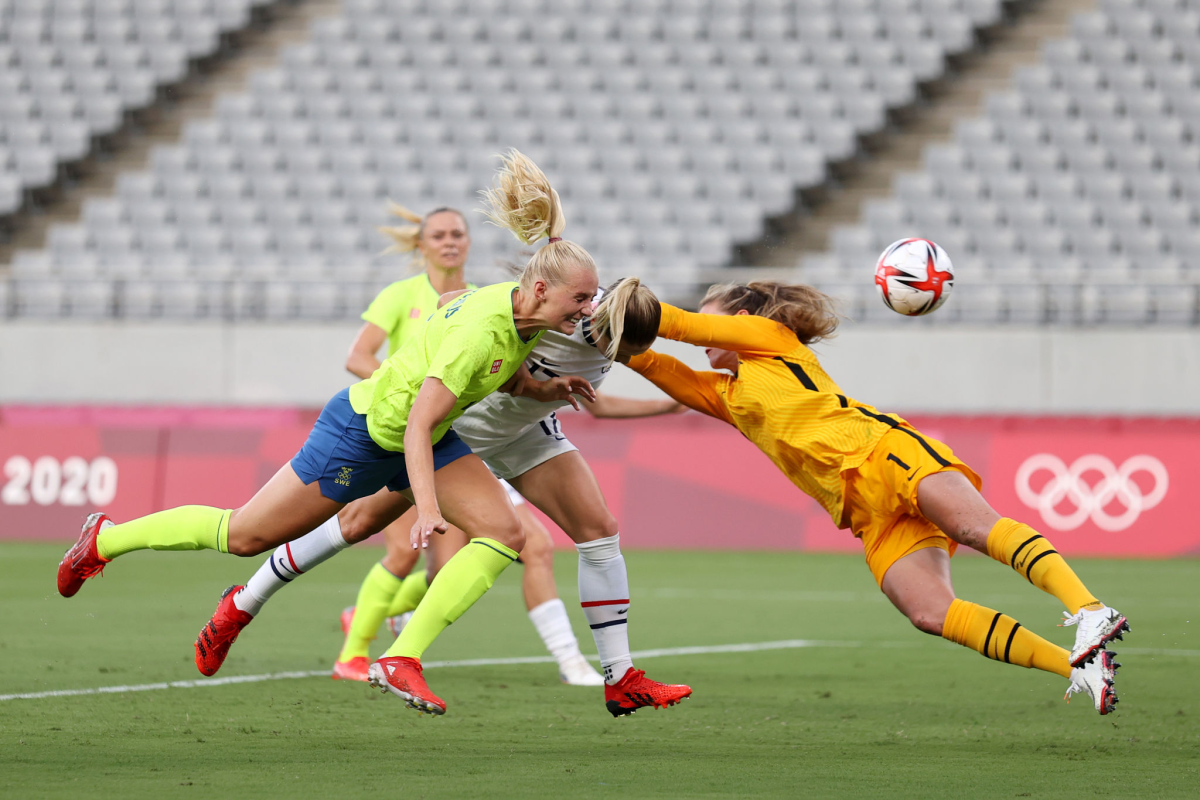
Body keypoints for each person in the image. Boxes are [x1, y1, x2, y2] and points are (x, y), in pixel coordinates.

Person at [58, 150, 602, 716]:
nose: (587, 310)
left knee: (504, 533)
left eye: (589, 299)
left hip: (426, 435)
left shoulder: (520, 314)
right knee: (243, 535)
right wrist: (428, 508)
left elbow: (457, 319)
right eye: (580, 299)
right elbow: (420, 417)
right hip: (364, 433)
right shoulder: (484, 331)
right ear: (540, 290)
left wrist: (547, 389)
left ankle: (400, 657)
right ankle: (104, 540)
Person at [624, 281, 1129, 715]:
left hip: (881, 452)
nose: (704, 343)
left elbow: (676, 325)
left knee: (973, 527)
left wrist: (602, 298)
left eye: (714, 324)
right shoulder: (729, 396)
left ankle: (1089, 610)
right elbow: (653, 362)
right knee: (929, 612)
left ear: (739, 319)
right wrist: (586, 329)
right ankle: (1077, 667)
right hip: (865, 512)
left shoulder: (769, 337)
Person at [334, 200, 606, 686]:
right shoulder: (401, 295)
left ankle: (378, 624)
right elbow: (357, 356)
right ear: (422, 245)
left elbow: (507, 371)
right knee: (398, 551)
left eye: (457, 234)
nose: (450, 242)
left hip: (457, 438)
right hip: (399, 428)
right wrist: (406, 390)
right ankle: (354, 652)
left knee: (469, 558)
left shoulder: (482, 299)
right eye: (438, 235)